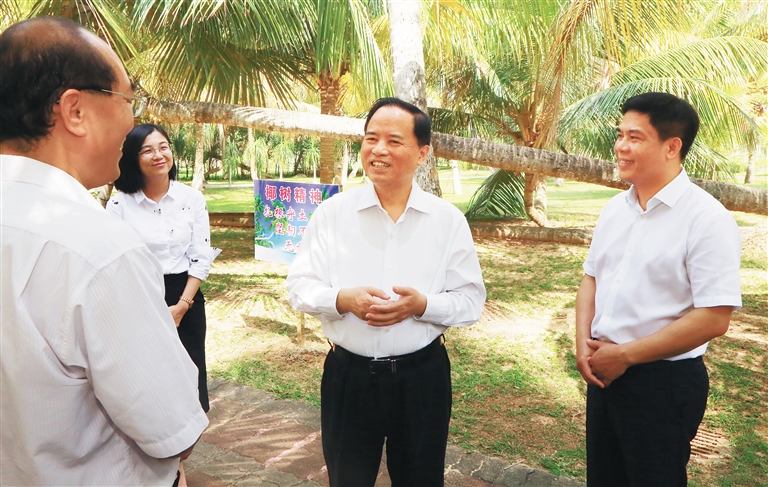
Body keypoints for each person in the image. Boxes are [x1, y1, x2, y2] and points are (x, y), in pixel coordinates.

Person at [0, 17, 208, 486]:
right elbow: (173, 430)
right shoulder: (99, 250)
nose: (132, 120)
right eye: (128, 100)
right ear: (74, 110)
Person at [286, 97, 486, 487]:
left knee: (420, 479)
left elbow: (470, 300)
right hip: (350, 377)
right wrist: (343, 299)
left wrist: (422, 305)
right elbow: (300, 287)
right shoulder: (333, 214)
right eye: (370, 138)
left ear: (422, 153)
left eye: (394, 141)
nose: (378, 150)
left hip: (421, 378)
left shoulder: (446, 221)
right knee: (347, 479)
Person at [575, 92, 742, 487]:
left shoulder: (707, 219)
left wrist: (626, 356)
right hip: (604, 372)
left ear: (672, 147)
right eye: (619, 135)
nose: (620, 146)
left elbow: (714, 318)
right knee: (605, 477)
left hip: (663, 383)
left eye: (634, 137)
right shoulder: (616, 209)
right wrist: (584, 343)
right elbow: (591, 278)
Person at [107, 123, 213, 413]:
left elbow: (200, 256)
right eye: (147, 150)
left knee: (190, 375)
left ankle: (182, 456)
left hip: (186, 296)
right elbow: (119, 262)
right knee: (148, 378)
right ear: (133, 158)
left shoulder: (191, 199)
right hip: (140, 295)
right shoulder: (120, 204)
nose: (159, 155)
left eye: (164, 147)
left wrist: (182, 306)